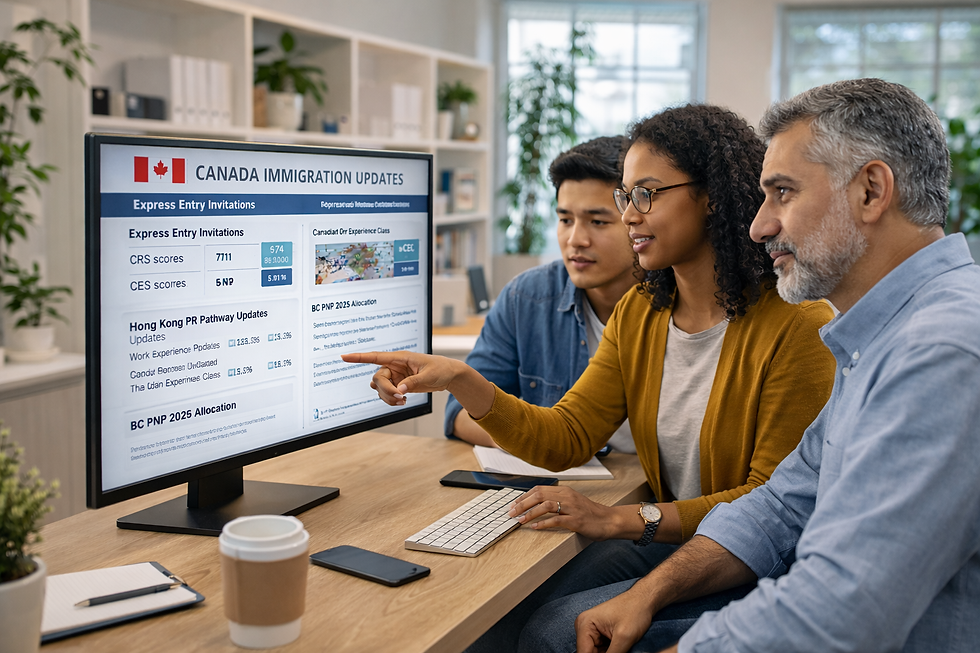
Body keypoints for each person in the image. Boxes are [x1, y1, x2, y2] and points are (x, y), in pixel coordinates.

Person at [344, 104, 837, 650]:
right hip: (677, 536)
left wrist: (620, 520)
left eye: (645, 194)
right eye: (625, 197)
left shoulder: (798, 323)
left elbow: (766, 507)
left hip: (758, 562)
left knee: (555, 631)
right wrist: (462, 379)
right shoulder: (643, 315)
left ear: (712, 196)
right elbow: (566, 437)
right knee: (502, 613)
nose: (629, 214)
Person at [571, 78, 980, 653]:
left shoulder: (941, 353)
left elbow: (842, 611)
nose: (759, 225)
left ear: (870, 191)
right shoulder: (879, 336)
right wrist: (651, 592)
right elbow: (780, 506)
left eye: (783, 193)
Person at [445, 135, 639, 453]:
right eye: (565, 220)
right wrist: (536, 446)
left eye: (598, 221)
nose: (576, 239)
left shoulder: (680, 302)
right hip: (566, 483)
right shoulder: (526, 298)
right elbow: (460, 412)